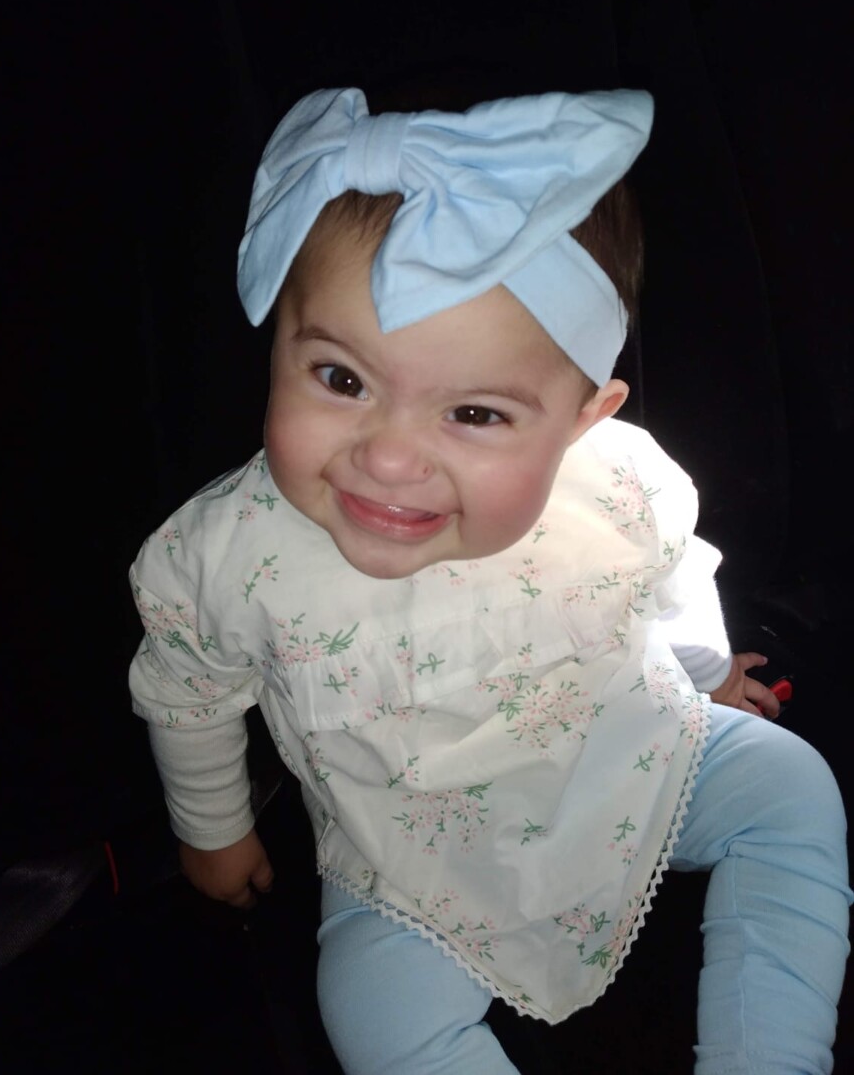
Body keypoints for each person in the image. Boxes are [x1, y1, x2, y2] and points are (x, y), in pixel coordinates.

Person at [128, 87, 850, 1073]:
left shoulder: (619, 482)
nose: (388, 459)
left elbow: (676, 578)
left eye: (473, 414)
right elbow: (188, 691)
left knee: (791, 788)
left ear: (585, 418)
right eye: (342, 379)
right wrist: (212, 833)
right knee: (372, 1008)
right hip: (408, 858)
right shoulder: (223, 554)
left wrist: (707, 675)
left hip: (621, 759)